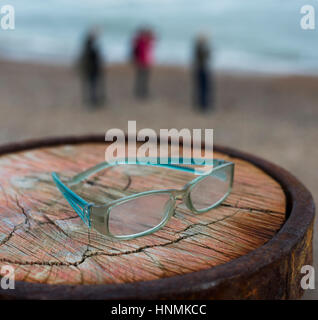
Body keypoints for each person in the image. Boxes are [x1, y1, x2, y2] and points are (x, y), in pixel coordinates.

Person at [78, 29, 105, 107]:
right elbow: (90, 58)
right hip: (91, 70)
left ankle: (92, 100)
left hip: (91, 69)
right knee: (92, 86)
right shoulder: (89, 46)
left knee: (92, 86)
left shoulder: (88, 45)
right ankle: (92, 101)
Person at [131, 28, 155, 99]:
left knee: (145, 78)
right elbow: (135, 51)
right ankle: (139, 92)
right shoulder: (140, 42)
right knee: (140, 78)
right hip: (141, 62)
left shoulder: (146, 41)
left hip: (146, 62)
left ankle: (144, 92)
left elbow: (154, 38)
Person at [193, 34, 212, 111]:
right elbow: (206, 57)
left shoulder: (197, 47)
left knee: (201, 88)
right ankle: (203, 105)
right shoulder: (200, 48)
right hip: (202, 69)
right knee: (203, 88)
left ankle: (201, 104)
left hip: (198, 69)